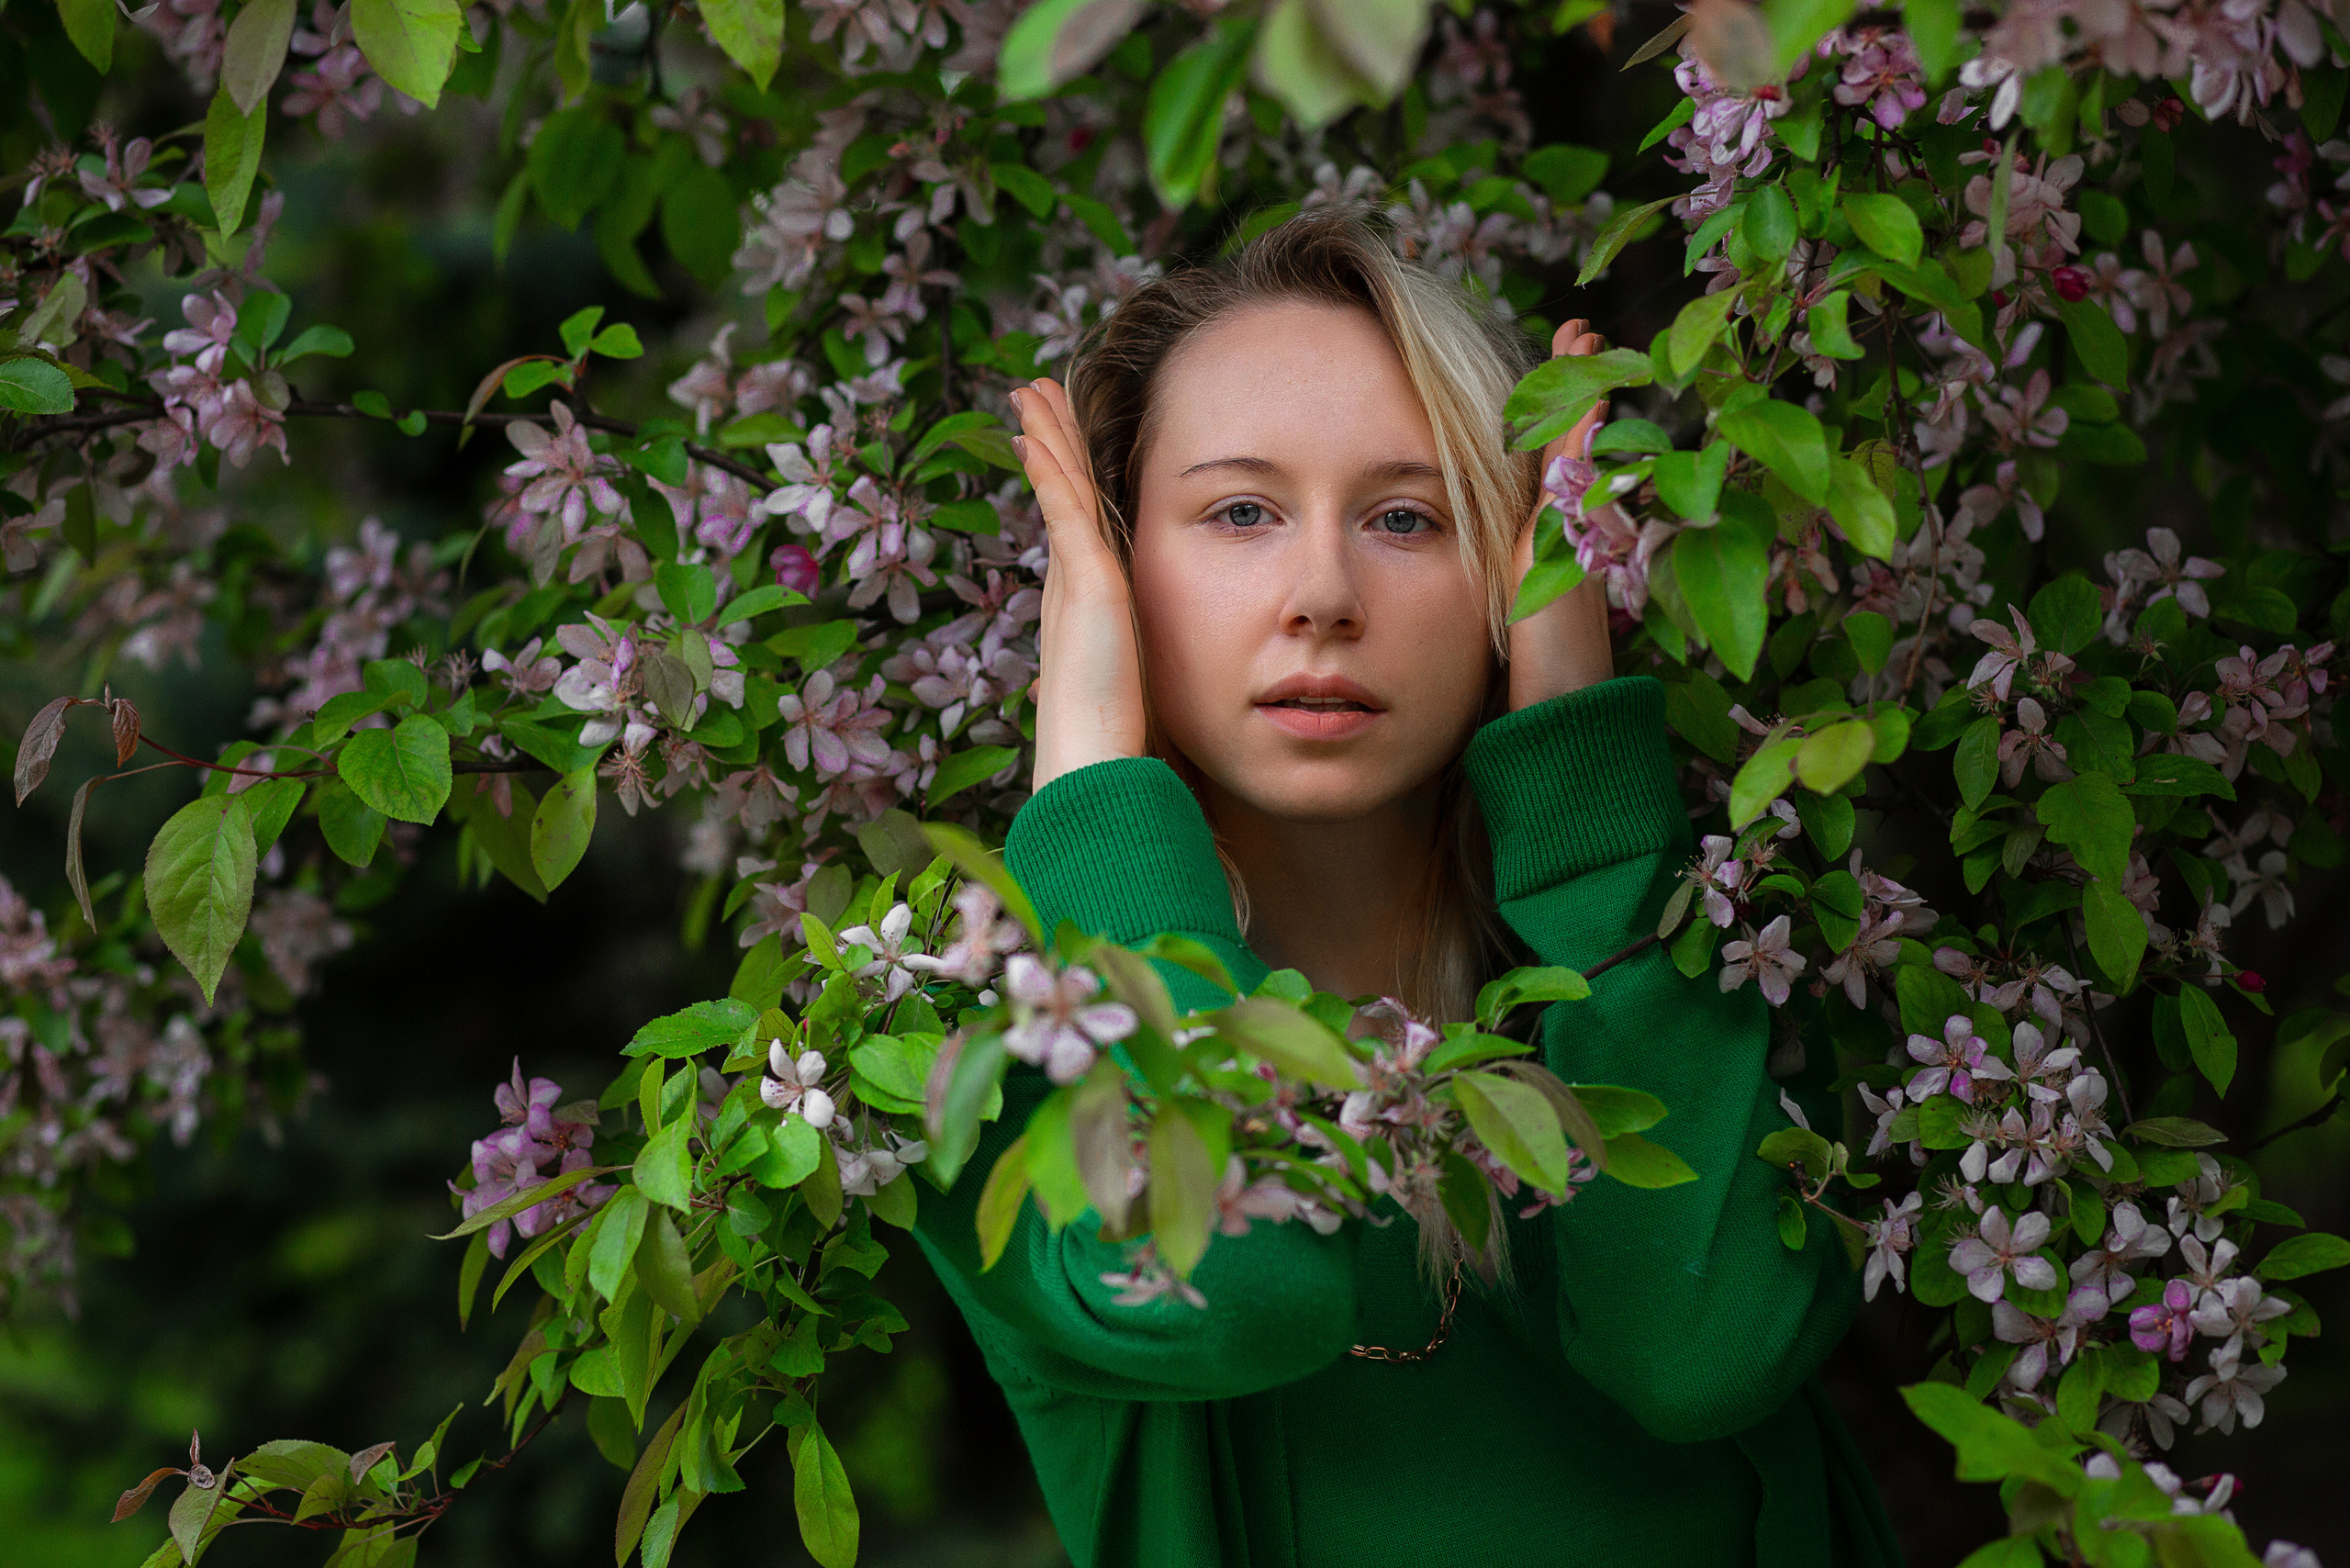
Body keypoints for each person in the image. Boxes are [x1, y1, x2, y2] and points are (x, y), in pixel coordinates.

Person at [908, 211, 1899, 1568]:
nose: (1322, 592)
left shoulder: (1692, 964)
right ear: (1122, 578)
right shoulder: (994, 1085)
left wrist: (1587, 792)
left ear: (1511, 566)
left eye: (1406, 517)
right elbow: (1241, 1291)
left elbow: (1701, 1359)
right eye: (1240, 512)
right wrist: (1088, 769)